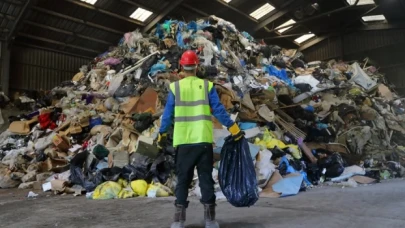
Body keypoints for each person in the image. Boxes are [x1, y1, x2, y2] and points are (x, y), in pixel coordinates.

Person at [158, 50, 243, 228]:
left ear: (181, 66)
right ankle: (210, 220)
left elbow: (167, 115)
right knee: (205, 178)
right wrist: (233, 128)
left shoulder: (176, 88)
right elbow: (219, 110)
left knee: (183, 180)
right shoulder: (207, 86)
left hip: (183, 142)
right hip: (203, 142)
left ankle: (178, 221)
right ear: (197, 66)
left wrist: (162, 133)